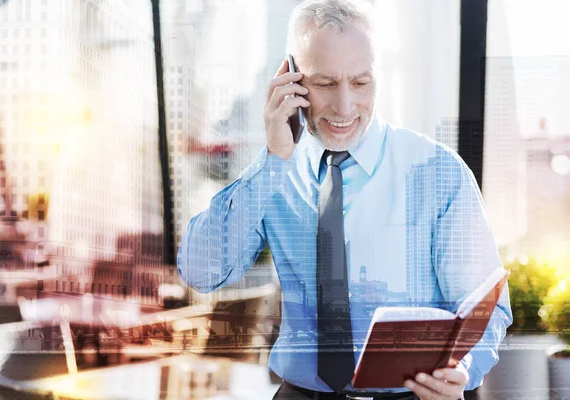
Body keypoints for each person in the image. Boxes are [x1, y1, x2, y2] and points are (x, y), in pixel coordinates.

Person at [177, 0, 512, 399]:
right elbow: (200, 270)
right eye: (324, 83)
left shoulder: (437, 172)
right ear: (292, 79)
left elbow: (485, 309)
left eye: (360, 82)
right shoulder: (274, 176)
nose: (344, 106)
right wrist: (272, 162)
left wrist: (463, 370)